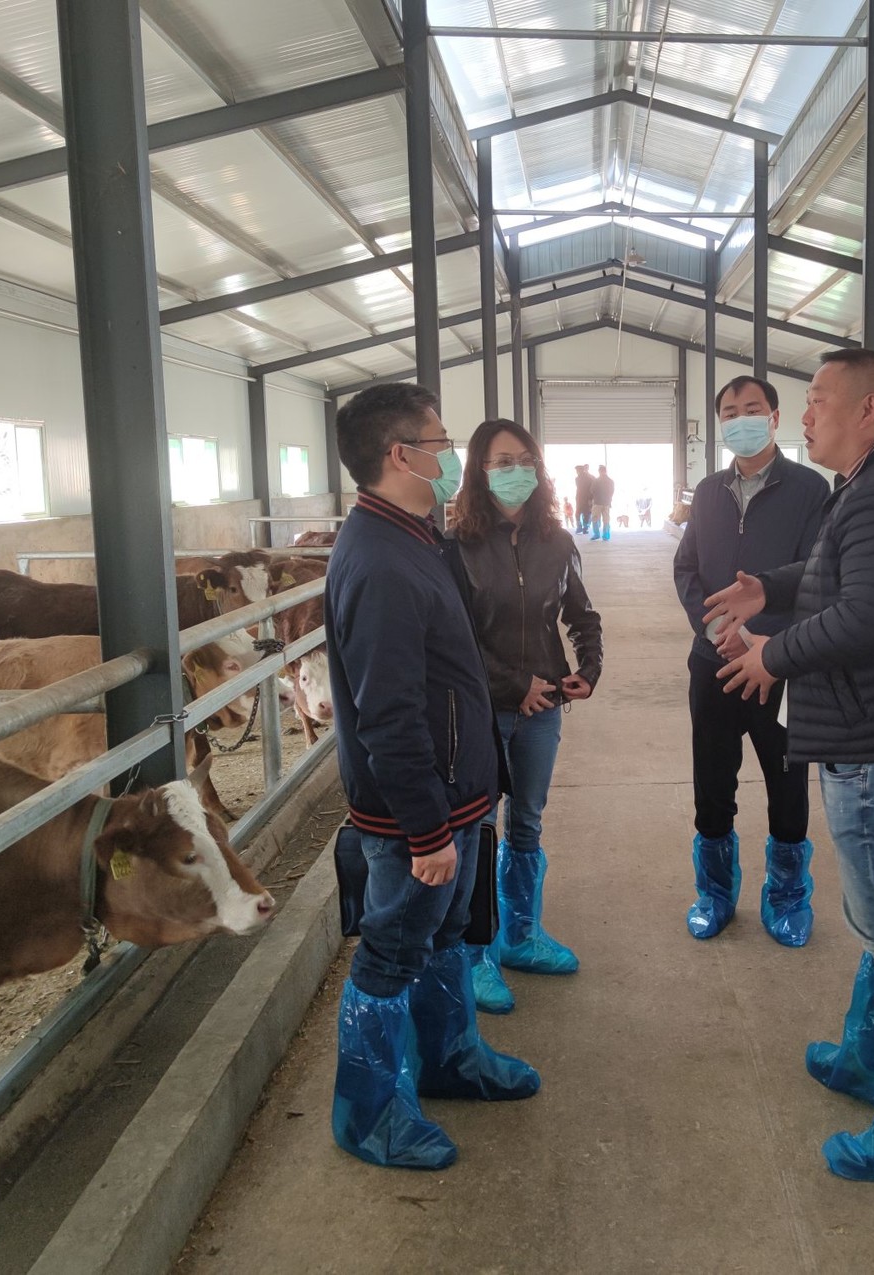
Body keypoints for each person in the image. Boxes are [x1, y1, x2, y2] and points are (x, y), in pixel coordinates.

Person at [705, 349, 874, 1183]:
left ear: (868, 408)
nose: (806, 413)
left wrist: (773, 654)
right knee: (873, 910)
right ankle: (870, 1059)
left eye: (819, 398)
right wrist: (770, 589)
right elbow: (837, 573)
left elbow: (866, 614)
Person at [324, 382, 540, 1172]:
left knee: (445, 935)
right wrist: (424, 829)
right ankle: (370, 1115)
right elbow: (387, 715)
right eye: (441, 441)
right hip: (418, 816)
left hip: (456, 795)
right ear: (401, 455)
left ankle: (450, 1059)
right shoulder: (379, 562)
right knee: (392, 950)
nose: (454, 455)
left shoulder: (415, 536)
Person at [450, 419, 604, 1014]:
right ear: (479, 471)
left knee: (528, 822)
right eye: (501, 461)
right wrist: (518, 686)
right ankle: (477, 954)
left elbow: (581, 616)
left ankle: (521, 935)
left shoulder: (556, 541)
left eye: (524, 460)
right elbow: (455, 638)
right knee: (478, 827)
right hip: (482, 712)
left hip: (543, 713)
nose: (516, 471)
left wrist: (587, 669)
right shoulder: (456, 546)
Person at [673, 375, 828, 947]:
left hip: (779, 665)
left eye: (752, 409)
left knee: (787, 783)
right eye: (730, 412)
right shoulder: (708, 492)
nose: (741, 420)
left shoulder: (810, 490)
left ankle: (787, 897)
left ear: (775, 417)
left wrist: (763, 638)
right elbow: (687, 569)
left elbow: (817, 577)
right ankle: (714, 894)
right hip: (713, 661)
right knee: (712, 782)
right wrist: (720, 632)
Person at [589, 464, 615, 541]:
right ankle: (606, 535)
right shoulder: (610, 481)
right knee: (606, 519)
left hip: (597, 502)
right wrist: (609, 500)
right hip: (606, 503)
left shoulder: (596, 481)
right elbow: (612, 492)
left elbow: (592, 490)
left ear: (599, 471)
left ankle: (596, 534)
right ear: (606, 471)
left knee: (595, 518)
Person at [573, 465, 594, 535]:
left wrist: (590, 498)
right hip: (584, 498)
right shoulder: (588, 478)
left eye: (577, 471)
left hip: (582, 498)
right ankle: (584, 528)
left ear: (580, 470)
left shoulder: (578, 479)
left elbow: (589, 489)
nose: (576, 472)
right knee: (585, 514)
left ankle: (580, 527)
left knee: (579, 513)